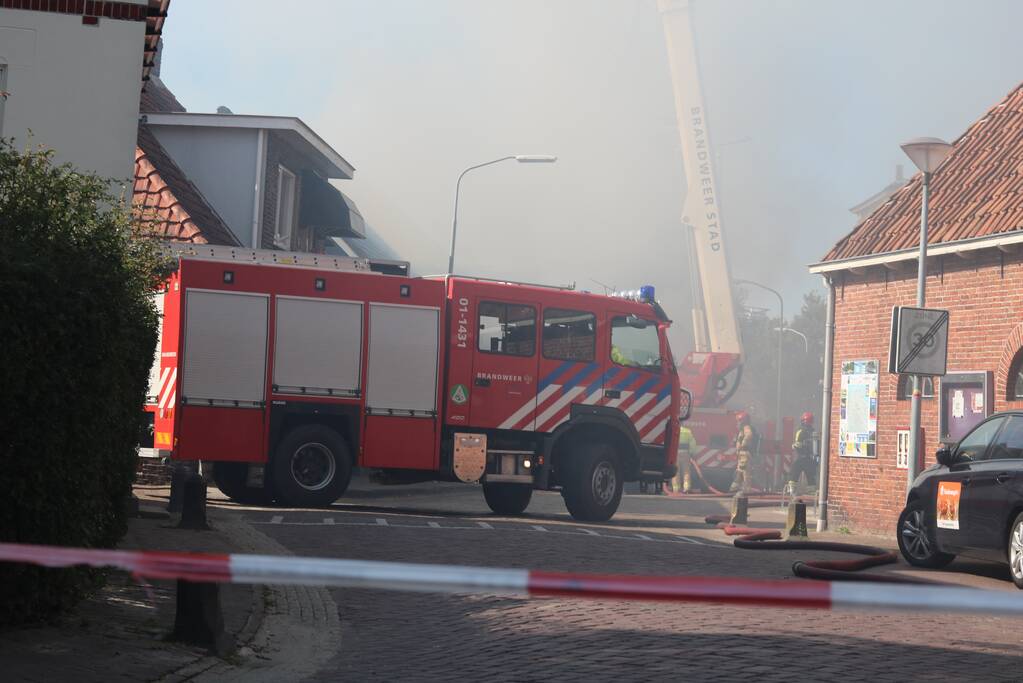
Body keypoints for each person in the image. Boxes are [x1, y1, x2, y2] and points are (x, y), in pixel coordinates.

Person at [788, 412, 818, 493]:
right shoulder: (813, 432)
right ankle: (811, 493)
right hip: (810, 459)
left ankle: (792, 490)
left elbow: (797, 444)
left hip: (800, 457)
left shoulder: (800, 431)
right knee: (810, 476)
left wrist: (794, 446)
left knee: (794, 472)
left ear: (803, 420)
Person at [730, 411, 757, 493]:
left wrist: (743, 444)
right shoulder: (742, 429)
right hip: (742, 454)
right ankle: (735, 487)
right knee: (740, 470)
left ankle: (746, 489)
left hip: (745, 453)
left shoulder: (746, 427)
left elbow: (749, 435)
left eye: (739, 421)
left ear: (743, 421)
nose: (738, 423)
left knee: (745, 471)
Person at [673, 425, 698, 493]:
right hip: (685, 454)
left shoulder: (673, 430)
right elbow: (693, 443)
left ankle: (676, 488)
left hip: (675, 454)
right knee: (686, 471)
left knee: (675, 471)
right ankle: (686, 488)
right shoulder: (687, 431)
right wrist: (692, 453)